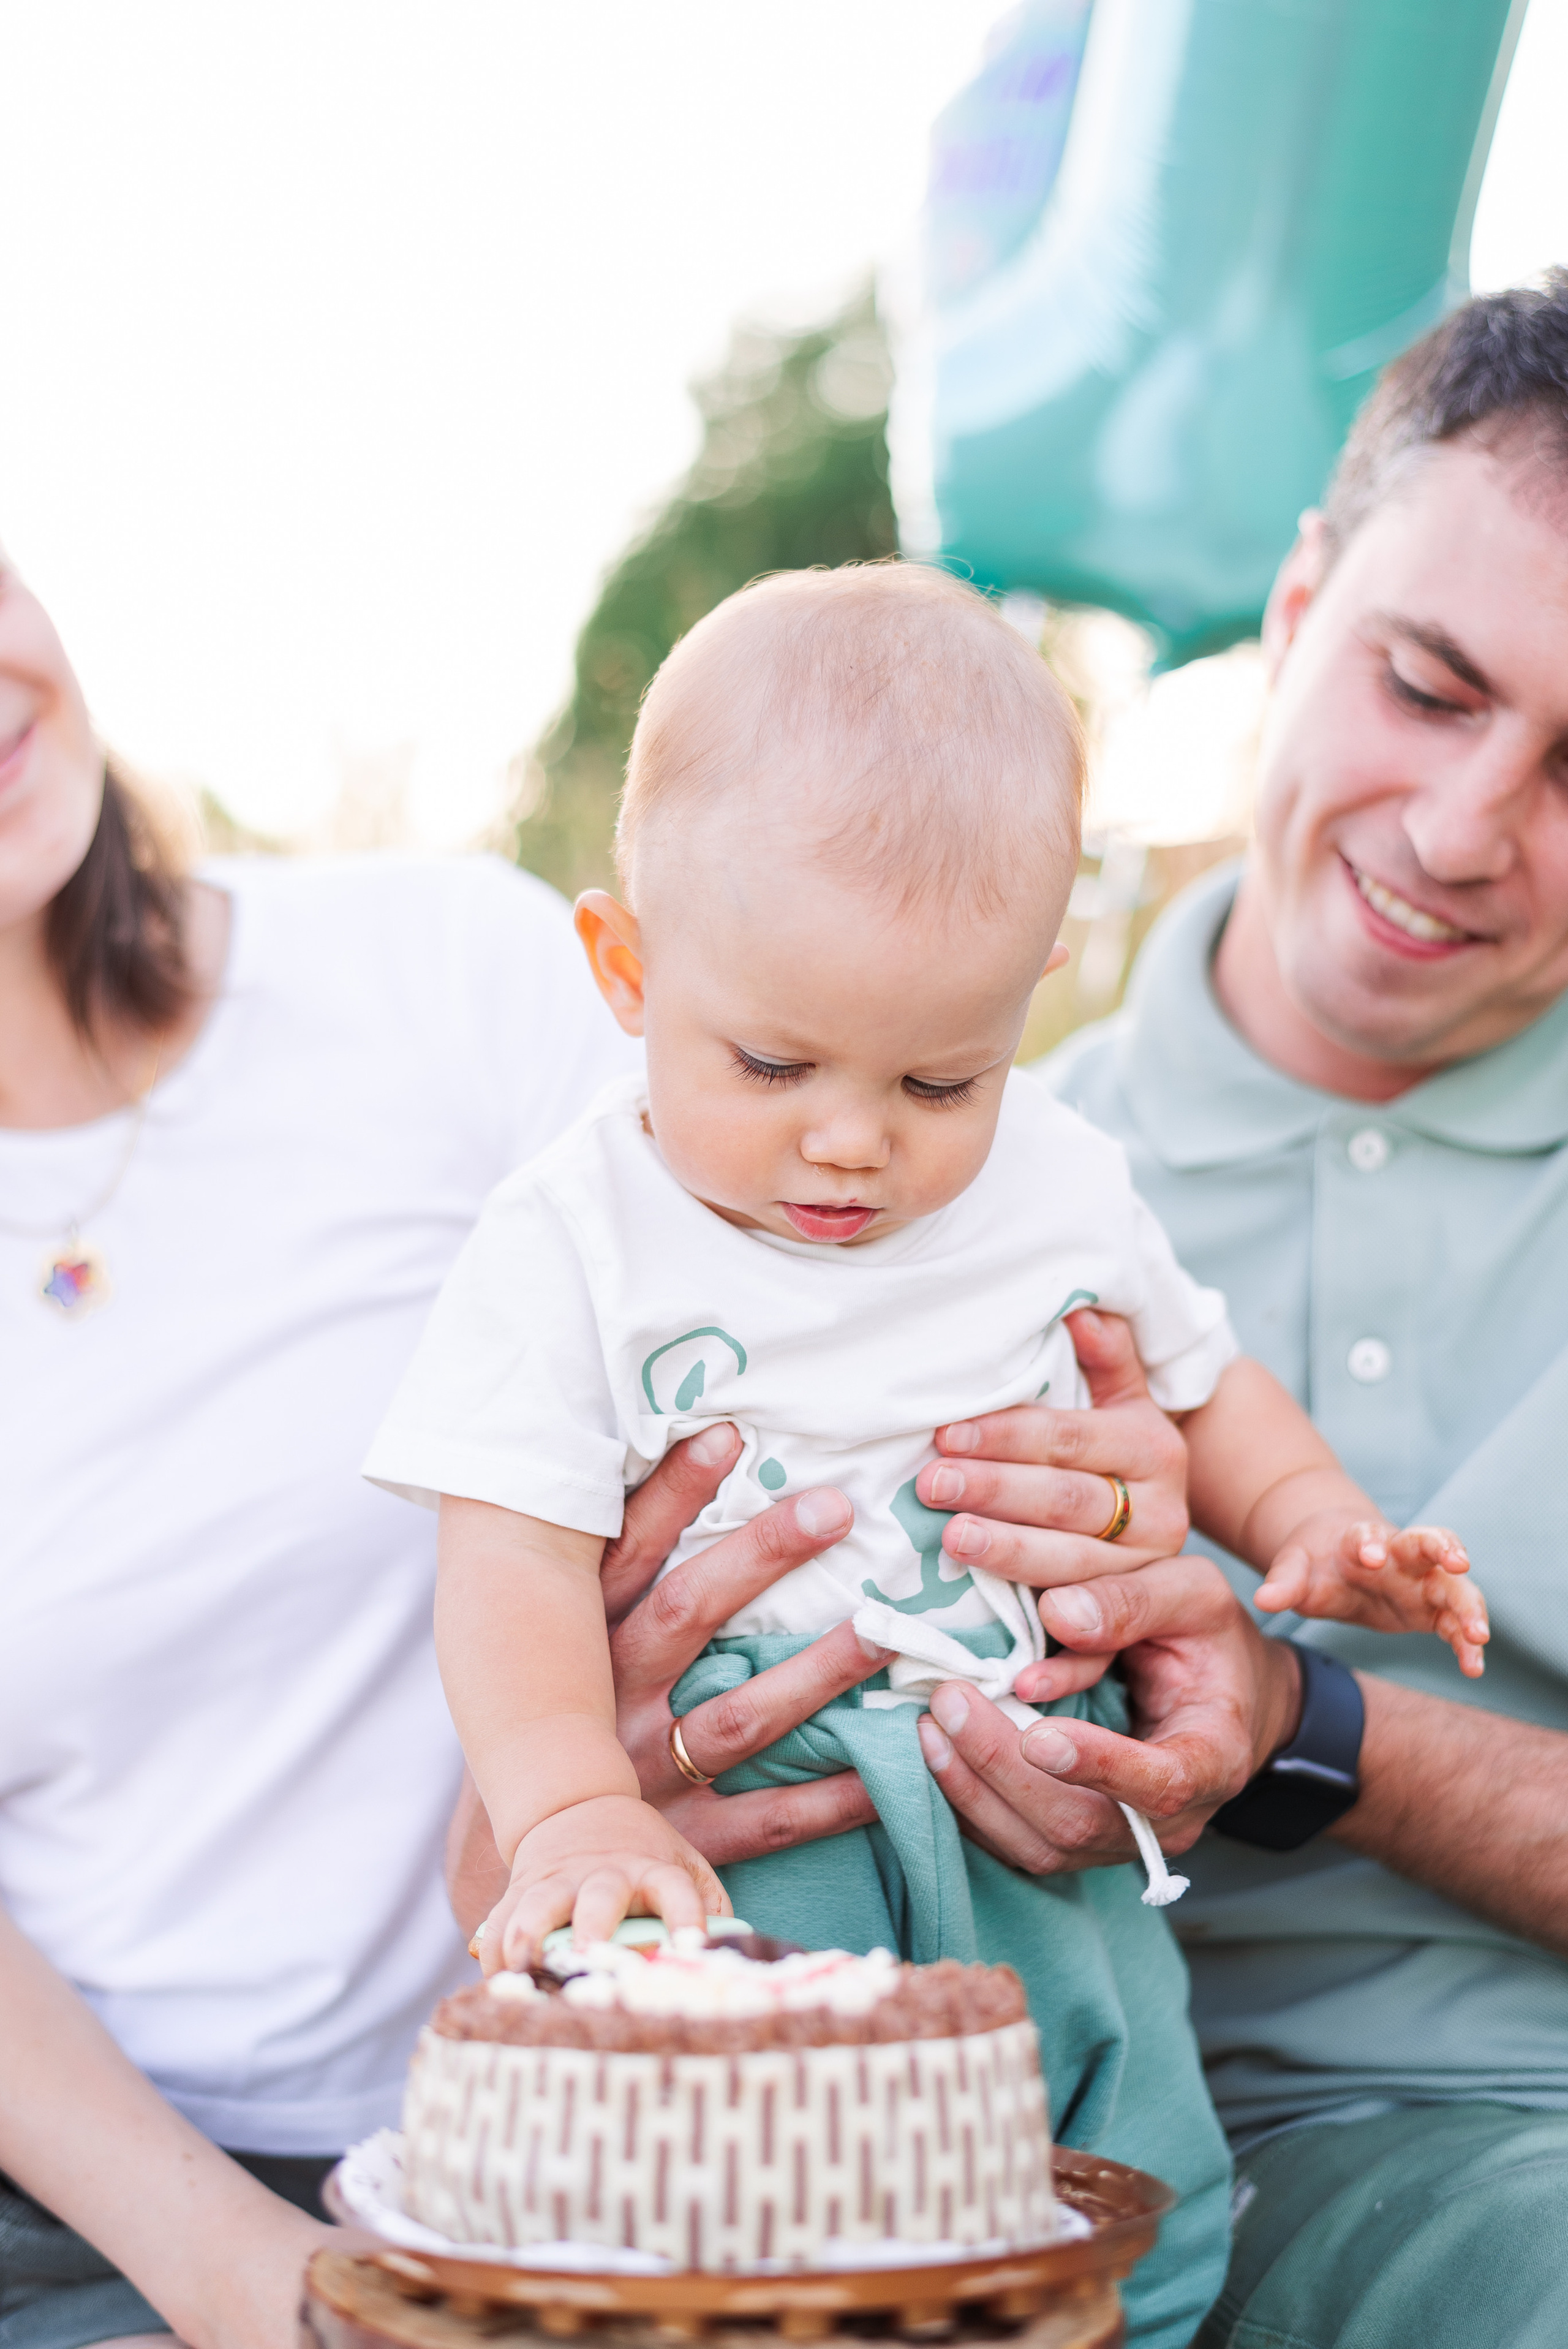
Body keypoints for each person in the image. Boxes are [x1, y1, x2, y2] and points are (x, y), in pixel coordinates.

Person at [0, 548, 1226, 2349]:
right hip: (134, 2229)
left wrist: (1105, 1493)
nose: (852, 1135)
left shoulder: (447, 974)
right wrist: (265, 2291)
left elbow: (875, 1286)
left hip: (709, 2098)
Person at [367, 566, 1483, 2348]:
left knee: (1119, 2159)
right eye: (773, 1058)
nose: (849, 1141)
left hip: (1035, 1770)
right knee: (753, 2189)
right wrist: (568, 1793)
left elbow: (1202, 1389)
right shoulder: (576, 1234)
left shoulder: (1057, 1170)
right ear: (626, 965)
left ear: (1027, 1002)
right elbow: (502, 1552)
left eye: (938, 1082)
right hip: (764, 1794)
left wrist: (1321, 1520)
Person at [1032, 277, 1568, 2348]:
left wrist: (1307, 1723)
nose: (1461, 834)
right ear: (1295, 602)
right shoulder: (973, 1187)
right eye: (1429, 688)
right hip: (1058, 2168)